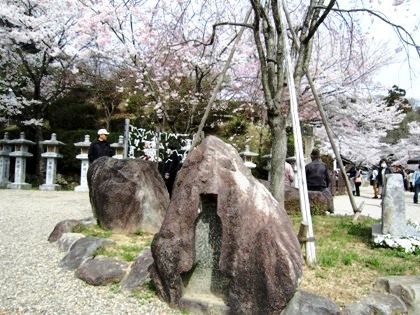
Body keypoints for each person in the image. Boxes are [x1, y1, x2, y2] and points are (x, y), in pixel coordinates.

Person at [305, 148, 334, 214]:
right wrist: (326, 185)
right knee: (329, 197)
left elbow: (304, 178)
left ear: (311, 156)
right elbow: (328, 178)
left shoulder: (307, 166)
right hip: (321, 186)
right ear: (319, 156)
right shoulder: (324, 165)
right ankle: (331, 211)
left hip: (310, 187)